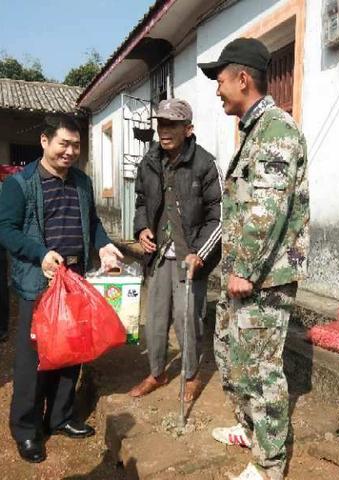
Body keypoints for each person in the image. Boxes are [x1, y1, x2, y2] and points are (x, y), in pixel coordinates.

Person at [198, 38, 310, 480]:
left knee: (261, 372)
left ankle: (269, 466)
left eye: (221, 80)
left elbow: (267, 208)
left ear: (243, 79)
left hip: (262, 278)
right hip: (242, 275)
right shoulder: (253, 130)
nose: (217, 90)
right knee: (229, 355)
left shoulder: (277, 131)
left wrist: (243, 269)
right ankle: (248, 430)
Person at [0, 114, 123, 463]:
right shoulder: (20, 184)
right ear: (45, 141)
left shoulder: (82, 182)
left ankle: (61, 416)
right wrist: (40, 254)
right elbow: (5, 230)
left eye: (76, 145)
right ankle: (26, 429)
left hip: (75, 280)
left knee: (71, 352)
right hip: (39, 282)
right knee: (34, 358)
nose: (70, 151)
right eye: (63, 144)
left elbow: (94, 223)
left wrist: (103, 245)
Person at [128, 98, 222, 402]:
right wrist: (142, 228)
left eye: (172, 125)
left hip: (189, 256)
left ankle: (191, 375)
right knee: (155, 320)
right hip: (157, 255)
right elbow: (141, 200)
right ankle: (157, 373)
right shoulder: (149, 161)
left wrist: (200, 253)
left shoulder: (205, 164)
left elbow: (219, 216)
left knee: (187, 319)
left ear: (188, 129)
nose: (164, 130)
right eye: (161, 124)